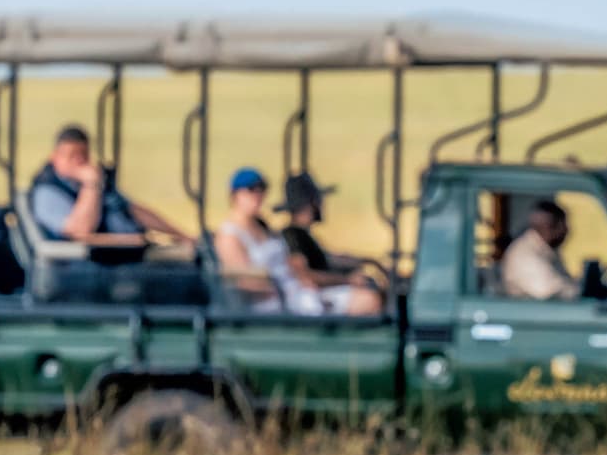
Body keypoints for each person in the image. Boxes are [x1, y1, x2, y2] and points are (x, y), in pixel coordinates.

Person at [215, 167, 383, 317]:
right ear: (235, 195)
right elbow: (243, 280)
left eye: (262, 188)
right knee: (367, 301)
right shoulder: (230, 235)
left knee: (369, 298)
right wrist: (283, 286)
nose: (258, 195)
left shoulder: (264, 228)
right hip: (275, 303)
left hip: (296, 294)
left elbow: (294, 266)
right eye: (251, 189)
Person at [23, 124, 187, 252]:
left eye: (83, 154)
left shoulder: (101, 186)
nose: (79, 161)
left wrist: (181, 235)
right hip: (79, 268)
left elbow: (133, 210)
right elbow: (80, 230)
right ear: (55, 157)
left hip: (124, 256)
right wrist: (91, 184)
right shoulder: (47, 192)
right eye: (71, 155)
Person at [276, 176, 389, 292]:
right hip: (315, 297)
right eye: (318, 200)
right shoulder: (293, 236)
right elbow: (304, 276)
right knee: (371, 295)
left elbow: (328, 258)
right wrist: (348, 280)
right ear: (311, 203)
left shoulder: (302, 234)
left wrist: (368, 261)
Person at [499, 196, 575, 300]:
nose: (567, 232)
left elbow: (565, 279)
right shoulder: (525, 255)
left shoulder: (546, 249)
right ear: (548, 226)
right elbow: (553, 292)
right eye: (563, 227)